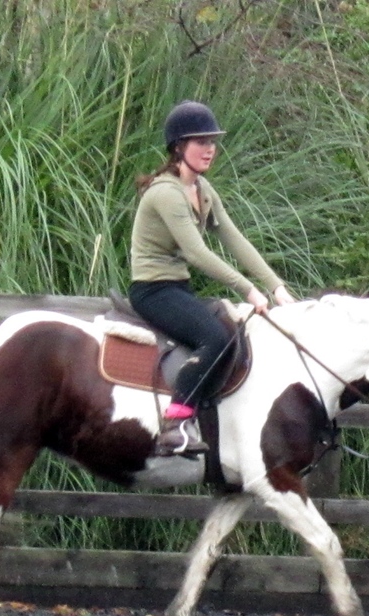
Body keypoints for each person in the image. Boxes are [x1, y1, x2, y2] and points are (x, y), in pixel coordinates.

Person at [128, 100, 296, 456]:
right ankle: (174, 425)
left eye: (213, 142)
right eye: (200, 142)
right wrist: (249, 290)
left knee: (234, 332)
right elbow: (196, 253)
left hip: (178, 288)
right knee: (214, 339)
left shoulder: (202, 189)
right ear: (179, 147)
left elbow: (234, 238)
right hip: (153, 290)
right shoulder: (166, 193)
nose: (210, 149)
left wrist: (276, 285)